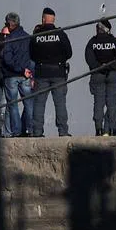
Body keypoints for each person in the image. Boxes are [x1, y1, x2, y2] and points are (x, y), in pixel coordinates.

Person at [29, 7, 72, 137]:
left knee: (39, 103)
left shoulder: (37, 36)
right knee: (60, 103)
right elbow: (69, 53)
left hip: (42, 72)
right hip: (58, 72)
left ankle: (37, 132)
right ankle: (63, 131)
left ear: (43, 19)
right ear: (53, 19)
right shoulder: (60, 34)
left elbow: (31, 54)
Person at [85, 18, 116, 136]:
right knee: (112, 103)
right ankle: (112, 129)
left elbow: (89, 58)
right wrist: (109, 67)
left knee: (98, 102)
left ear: (101, 28)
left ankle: (99, 129)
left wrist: (100, 67)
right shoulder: (114, 41)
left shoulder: (92, 42)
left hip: (97, 74)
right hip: (112, 74)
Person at [0, 12, 35, 138]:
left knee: (13, 104)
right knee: (29, 103)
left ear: (9, 24)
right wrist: (30, 73)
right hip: (26, 74)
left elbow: (7, 60)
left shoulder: (9, 39)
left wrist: (19, 70)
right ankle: (31, 129)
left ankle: (17, 131)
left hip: (12, 75)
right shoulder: (28, 37)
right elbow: (32, 58)